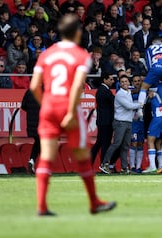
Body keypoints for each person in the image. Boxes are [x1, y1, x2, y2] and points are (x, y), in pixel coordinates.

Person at [29, 14, 116, 216]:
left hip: (49, 107)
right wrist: (68, 111)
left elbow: (34, 86)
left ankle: (41, 207)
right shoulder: (80, 55)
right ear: (78, 33)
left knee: (47, 156)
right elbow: (78, 84)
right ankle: (94, 202)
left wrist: (46, 105)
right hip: (68, 108)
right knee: (82, 157)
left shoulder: (46, 54)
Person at [100, 75, 142, 174]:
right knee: (116, 144)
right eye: (122, 82)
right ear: (120, 83)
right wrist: (140, 104)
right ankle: (104, 163)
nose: (124, 83)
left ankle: (124, 168)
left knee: (125, 146)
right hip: (120, 122)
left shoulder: (128, 93)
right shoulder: (120, 94)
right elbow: (128, 106)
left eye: (126, 81)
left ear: (129, 83)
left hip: (127, 122)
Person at [21, 89, 40, 174]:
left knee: (38, 142)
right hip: (43, 123)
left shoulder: (29, 91)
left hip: (31, 124)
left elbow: (23, 105)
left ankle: (32, 160)